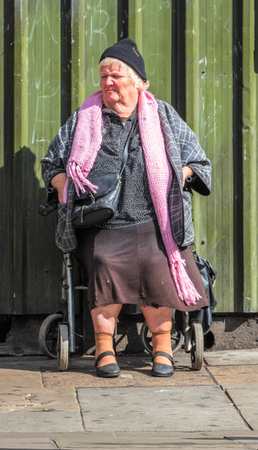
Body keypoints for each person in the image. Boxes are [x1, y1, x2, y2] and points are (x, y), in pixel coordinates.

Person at [41, 38, 211, 378]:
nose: (107, 83)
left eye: (116, 76)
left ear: (139, 83)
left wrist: (180, 173)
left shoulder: (163, 115)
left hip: (154, 222)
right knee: (104, 262)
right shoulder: (85, 119)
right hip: (101, 224)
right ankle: (104, 347)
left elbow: (200, 162)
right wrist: (63, 186)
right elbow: (51, 165)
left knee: (158, 259)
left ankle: (163, 345)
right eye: (104, 76)